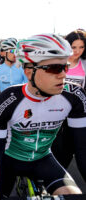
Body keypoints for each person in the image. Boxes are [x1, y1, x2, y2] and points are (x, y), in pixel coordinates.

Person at [0, 33, 85, 200]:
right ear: (29, 71)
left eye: (65, 67)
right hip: (8, 162)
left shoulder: (74, 95)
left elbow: (83, 150)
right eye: (54, 68)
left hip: (43, 159)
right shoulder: (8, 100)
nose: (63, 75)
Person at [51, 29, 86, 182]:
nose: (77, 51)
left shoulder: (85, 64)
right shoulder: (56, 62)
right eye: (73, 47)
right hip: (56, 113)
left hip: (78, 114)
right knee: (60, 154)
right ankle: (55, 185)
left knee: (80, 151)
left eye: (81, 47)